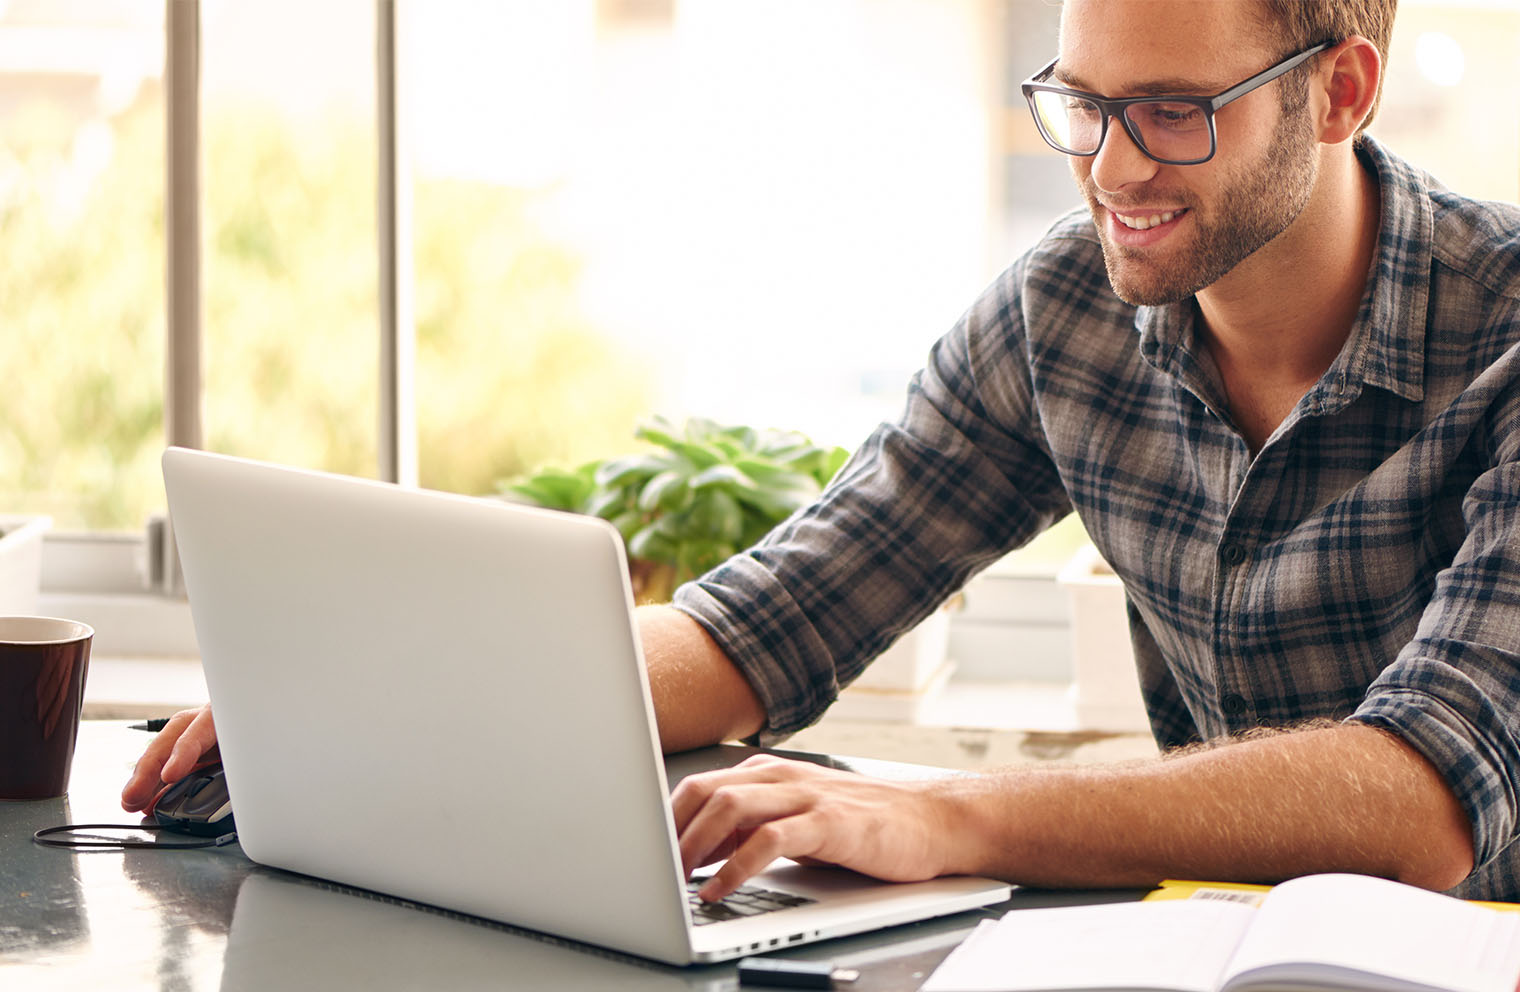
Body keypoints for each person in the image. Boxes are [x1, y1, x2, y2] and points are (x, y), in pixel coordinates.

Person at [125, 0, 1520, 903]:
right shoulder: (1064, 313)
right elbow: (781, 615)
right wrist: (371, 701)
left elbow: (1422, 801)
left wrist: (948, 813)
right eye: (1079, 104)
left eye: (1172, 112)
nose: (1105, 169)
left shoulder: (1505, 332)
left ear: (1340, 92)